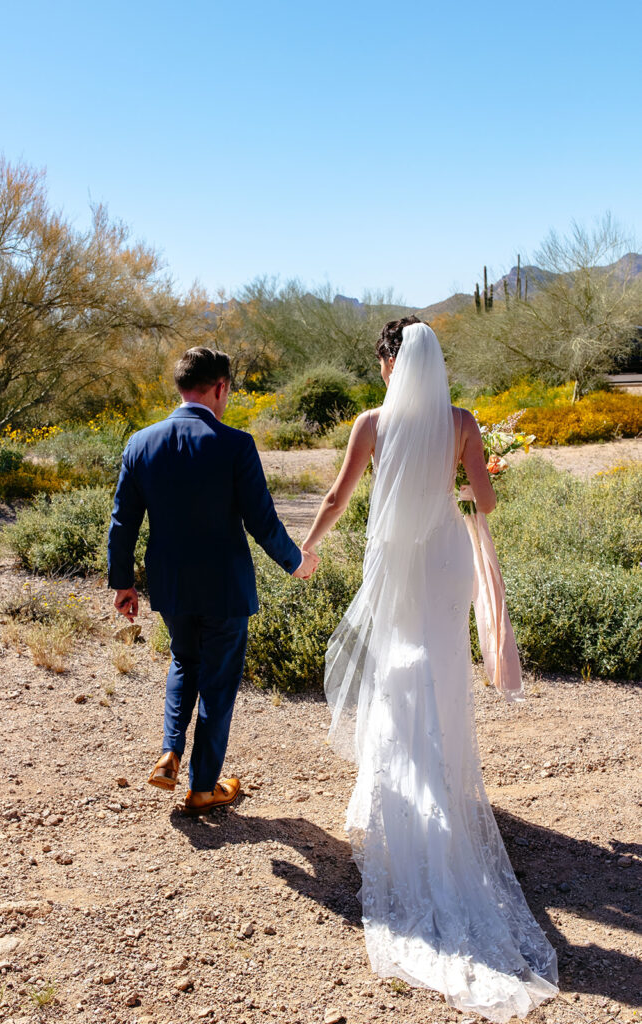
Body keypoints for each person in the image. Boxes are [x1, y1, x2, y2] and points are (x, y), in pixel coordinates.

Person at [302, 319, 558, 1022]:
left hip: (396, 557)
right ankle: (442, 781)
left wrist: (308, 547)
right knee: (438, 667)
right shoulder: (462, 420)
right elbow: (486, 500)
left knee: (397, 667)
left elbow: (336, 497)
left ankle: (398, 793)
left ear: (389, 364)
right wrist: (476, 467)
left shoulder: (371, 422)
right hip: (445, 554)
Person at [108, 347, 318, 816]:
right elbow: (262, 523)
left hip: (171, 584)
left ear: (182, 386)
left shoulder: (140, 443)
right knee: (219, 682)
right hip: (224, 587)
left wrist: (123, 583)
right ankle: (203, 787)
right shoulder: (235, 444)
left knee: (184, 661)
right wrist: (296, 562)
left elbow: (123, 521)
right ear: (219, 387)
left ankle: (170, 752)